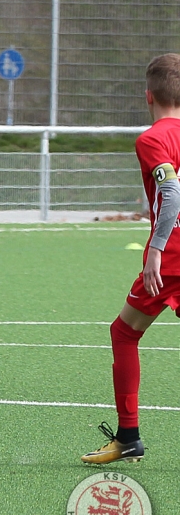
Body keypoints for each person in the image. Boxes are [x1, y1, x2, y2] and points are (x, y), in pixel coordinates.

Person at [81, 53, 180, 464]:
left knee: (124, 333)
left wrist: (155, 248)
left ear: (148, 96)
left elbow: (171, 193)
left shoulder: (152, 139)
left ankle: (128, 435)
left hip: (173, 258)